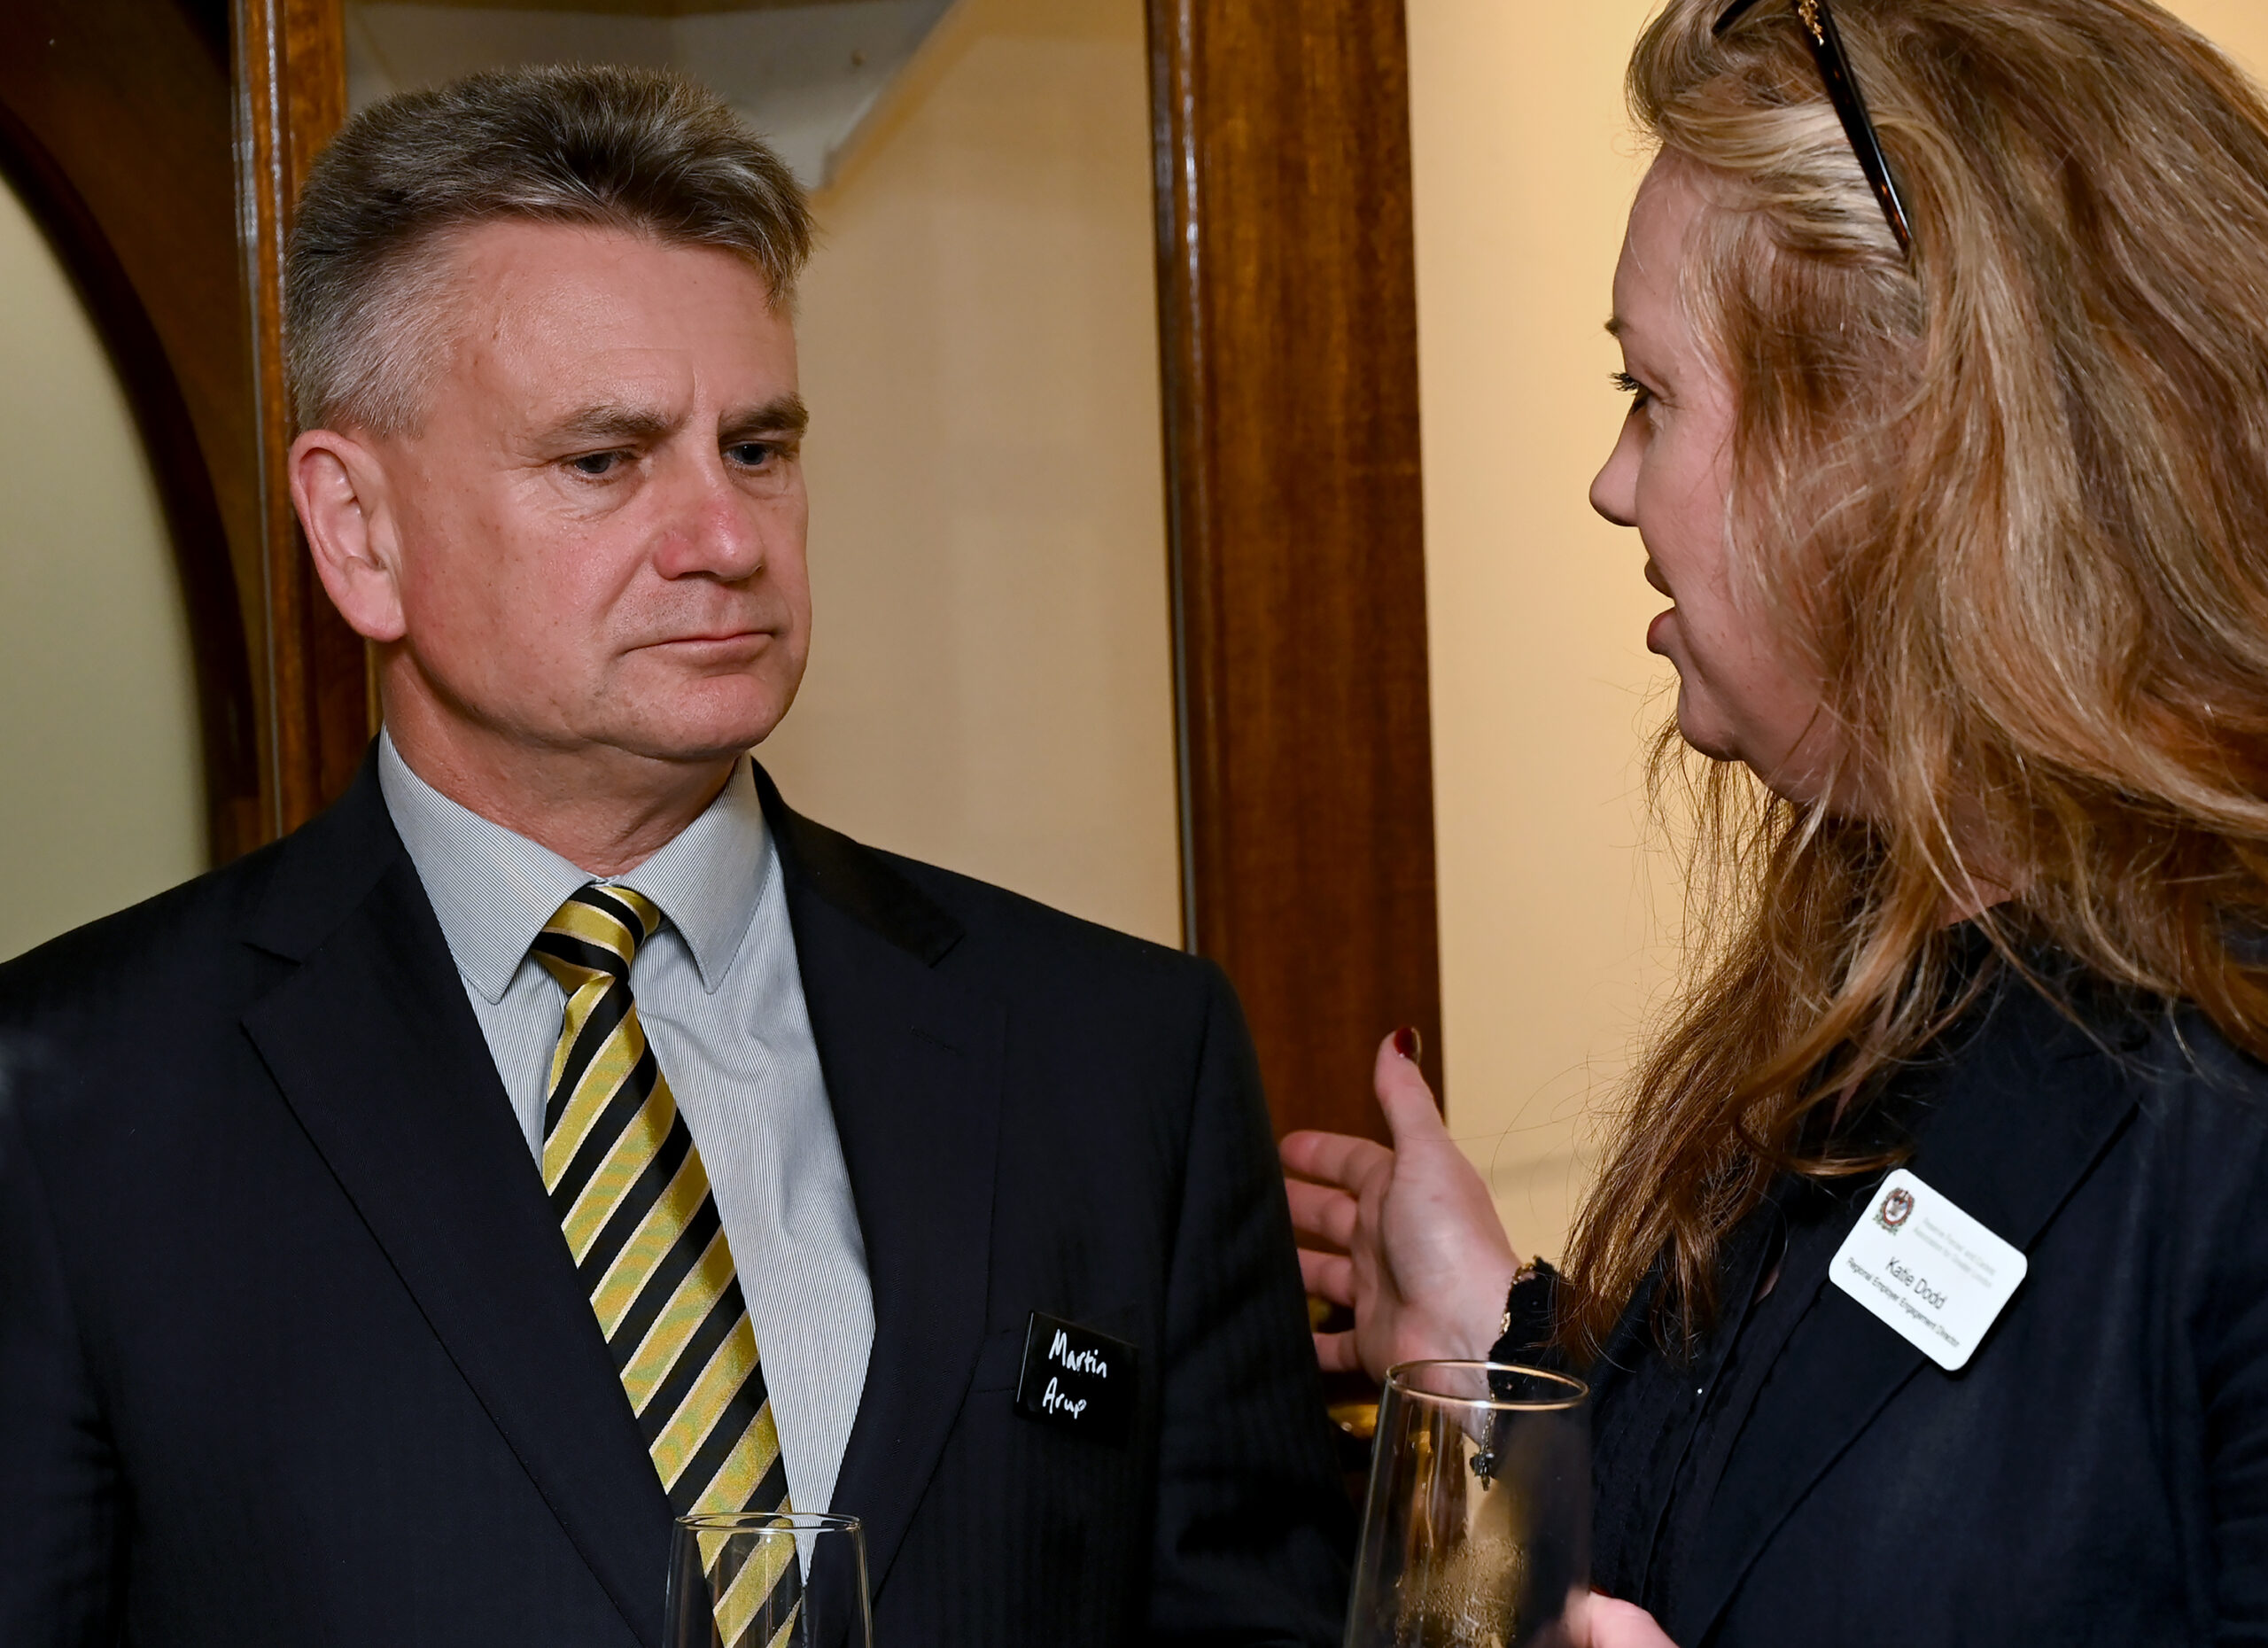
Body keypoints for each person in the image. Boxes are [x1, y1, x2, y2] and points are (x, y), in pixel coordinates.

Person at [0, 66, 1349, 1648]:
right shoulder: (73, 1111)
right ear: (359, 530)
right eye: (604, 459)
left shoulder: (1120, 1060)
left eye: (758, 448)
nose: (726, 537)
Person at [1286, 1, 2268, 1643]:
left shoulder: (2226, 1101)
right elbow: (1773, 1522)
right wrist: (1490, 1358)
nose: (1613, 483)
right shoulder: (1887, 978)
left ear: (1894, 450)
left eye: (1651, 394)